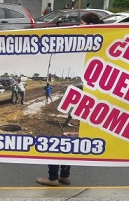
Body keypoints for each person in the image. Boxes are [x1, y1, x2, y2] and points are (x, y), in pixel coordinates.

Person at [39, 12, 101, 187]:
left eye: (82, 23)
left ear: (90, 25)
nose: (79, 26)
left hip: (83, 92)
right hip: (88, 96)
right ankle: (64, 175)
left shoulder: (83, 43)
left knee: (57, 139)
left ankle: (53, 177)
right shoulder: (98, 44)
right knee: (71, 139)